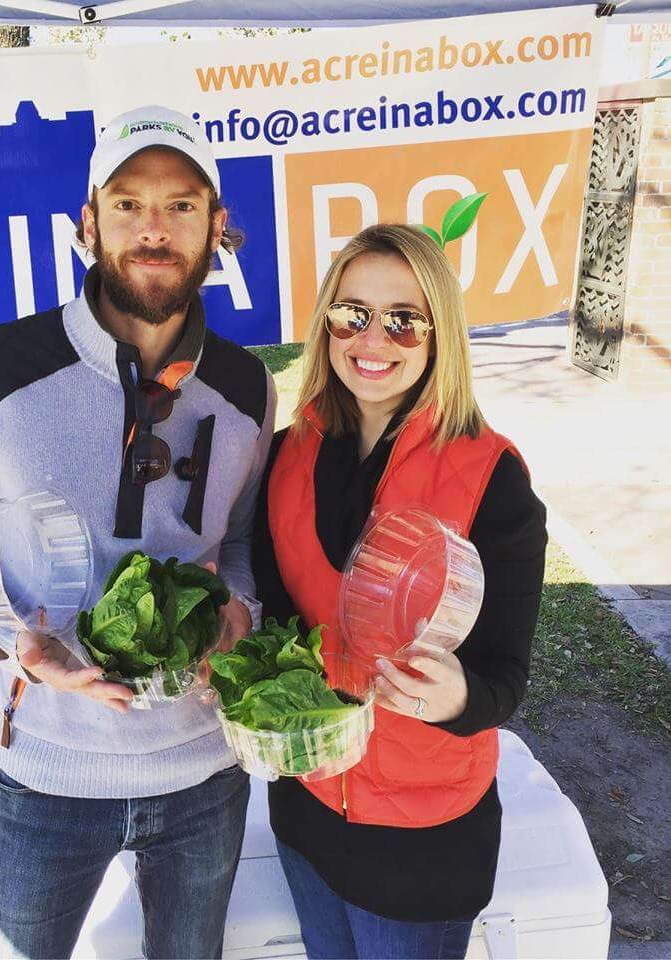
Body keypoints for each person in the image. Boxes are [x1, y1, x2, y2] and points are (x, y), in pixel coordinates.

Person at [0, 105, 276, 960]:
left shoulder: (247, 388)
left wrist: (241, 608)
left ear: (218, 229)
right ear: (87, 224)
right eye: (128, 203)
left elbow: (243, 539)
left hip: (204, 777)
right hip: (45, 775)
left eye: (182, 206)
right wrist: (9, 643)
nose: (155, 229)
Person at [251, 223, 547, 960]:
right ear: (325, 325)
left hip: (424, 840)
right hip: (305, 808)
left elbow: (505, 679)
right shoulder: (286, 453)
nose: (372, 339)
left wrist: (456, 699)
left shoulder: (492, 477)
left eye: (403, 320)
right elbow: (276, 619)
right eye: (351, 313)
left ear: (438, 332)